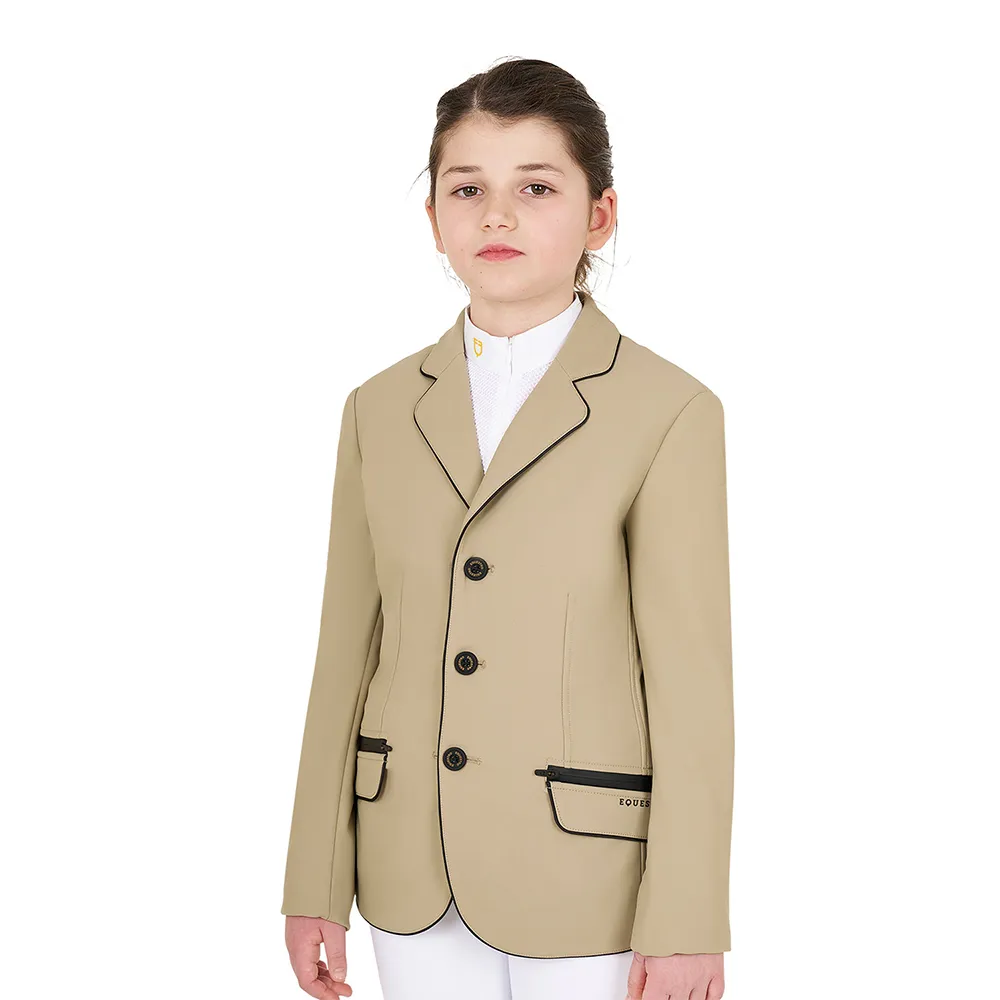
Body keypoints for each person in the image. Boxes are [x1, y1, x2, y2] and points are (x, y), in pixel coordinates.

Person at [281, 57, 733, 1000]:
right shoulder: (377, 409)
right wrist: (314, 881)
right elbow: (346, 652)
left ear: (599, 215)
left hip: (589, 875)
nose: (496, 217)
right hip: (407, 869)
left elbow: (690, 684)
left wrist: (688, 915)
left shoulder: (669, 410)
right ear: (433, 218)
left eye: (535, 188)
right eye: (467, 189)